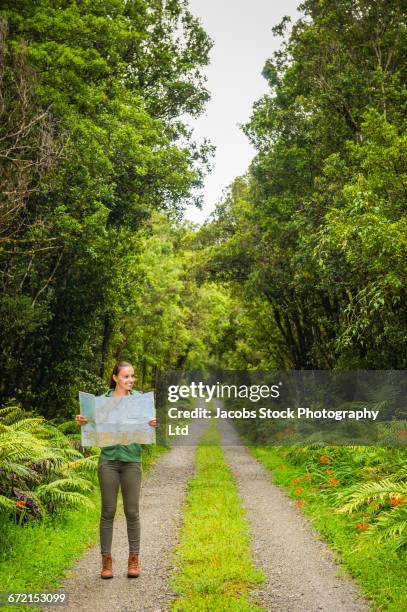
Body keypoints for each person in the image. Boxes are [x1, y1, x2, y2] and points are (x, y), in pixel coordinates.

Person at [76, 361, 158, 579]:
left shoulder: (141, 401)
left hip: (132, 461)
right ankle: (106, 561)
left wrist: (153, 424)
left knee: (132, 512)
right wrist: (83, 421)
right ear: (115, 378)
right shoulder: (101, 402)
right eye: (125, 377)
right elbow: (91, 428)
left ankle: (134, 559)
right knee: (108, 512)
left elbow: (149, 426)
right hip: (108, 461)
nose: (130, 380)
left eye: (132, 376)